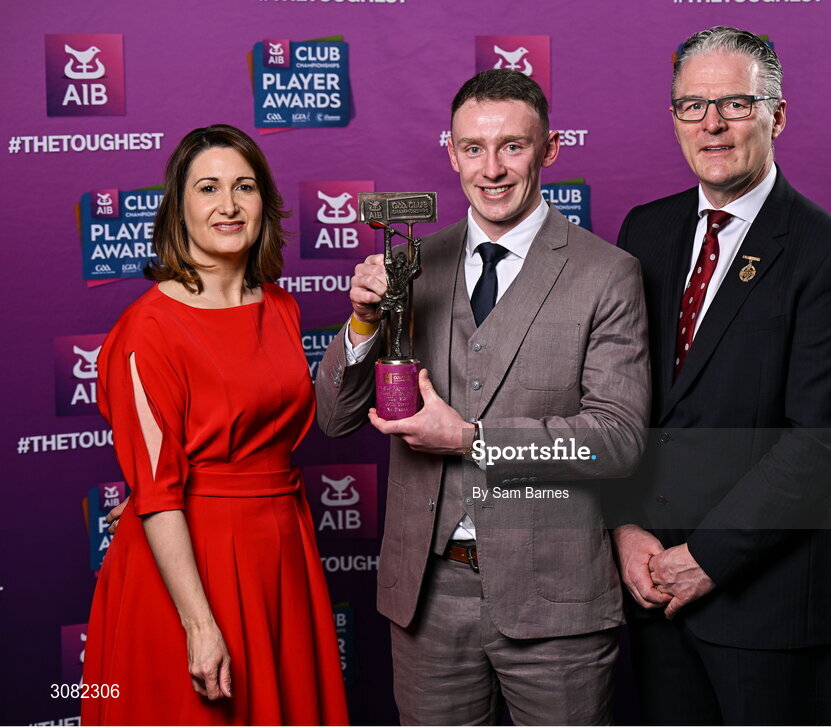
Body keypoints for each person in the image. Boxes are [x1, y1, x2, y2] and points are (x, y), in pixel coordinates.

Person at [315, 69, 650, 725]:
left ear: (549, 150)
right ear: (451, 152)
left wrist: (471, 439)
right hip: (430, 598)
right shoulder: (413, 264)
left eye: (513, 147)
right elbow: (334, 417)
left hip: (557, 602)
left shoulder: (607, 274)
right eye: (473, 148)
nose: (491, 169)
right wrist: (361, 321)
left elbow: (617, 439)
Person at [609, 26, 831, 724]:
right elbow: (621, 401)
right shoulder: (645, 232)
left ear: (777, 114)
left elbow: (819, 442)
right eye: (692, 106)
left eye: (734, 102)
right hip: (653, 587)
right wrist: (626, 527)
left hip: (770, 604)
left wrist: (708, 557)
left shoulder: (830, 256)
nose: (713, 124)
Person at [82, 125, 349, 725]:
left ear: (264, 204)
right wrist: (200, 625)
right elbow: (156, 490)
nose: (228, 205)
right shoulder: (147, 330)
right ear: (179, 209)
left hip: (283, 547)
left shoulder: (280, 305)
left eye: (244, 187)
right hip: (192, 564)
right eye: (208, 188)